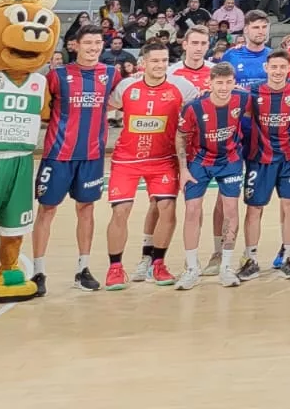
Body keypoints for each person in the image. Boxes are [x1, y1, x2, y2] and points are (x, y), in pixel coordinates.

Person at [31, 24, 119, 295]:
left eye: (98, 43)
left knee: (87, 209)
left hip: (92, 156)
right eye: (88, 43)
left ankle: (83, 269)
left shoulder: (111, 74)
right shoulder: (56, 76)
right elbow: (43, 112)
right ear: (75, 46)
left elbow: (118, 103)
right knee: (47, 210)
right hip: (58, 156)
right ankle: (38, 272)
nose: (93, 48)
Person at [103, 41, 198, 290]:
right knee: (120, 211)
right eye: (155, 61)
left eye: (164, 60)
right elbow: (103, 109)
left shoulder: (181, 86)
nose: (160, 65)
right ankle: (115, 267)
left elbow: (200, 108)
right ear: (143, 63)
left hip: (163, 159)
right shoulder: (126, 86)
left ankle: (158, 263)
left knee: (167, 207)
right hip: (127, 159)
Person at [175, 63, 251, 290]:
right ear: (209, 83)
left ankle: (226, 266)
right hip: (199, 162)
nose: (224, 87)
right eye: (219, 82)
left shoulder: (243, 99)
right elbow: (181, 137)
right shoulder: (193, 107)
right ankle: (191, 268)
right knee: (192, 210)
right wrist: (183, 169)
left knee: (230, 210)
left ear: (234, 82)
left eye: (228, 82)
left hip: (230, 161)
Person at [241, 50, 290, 280]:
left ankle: (288, 258)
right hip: (260, 159)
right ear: (266, 68)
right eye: (274, 67)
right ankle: (251, 259)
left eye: (282, 67)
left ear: (289, 69)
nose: (278, 71)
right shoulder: (252, 91)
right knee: (254, 209)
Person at [221, 9, 272, 89]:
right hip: (240, 101)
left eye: (264, 27)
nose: (261, 31)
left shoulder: (273, 56)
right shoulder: (231, 55)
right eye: (256, 27)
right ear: (245, 30)